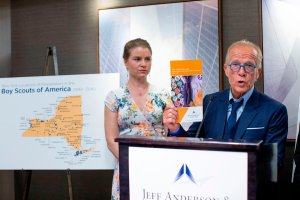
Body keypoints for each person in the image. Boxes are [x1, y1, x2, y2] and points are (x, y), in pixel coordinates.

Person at [163, 39, 288, 168]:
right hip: (208, 183)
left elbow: (273, 164)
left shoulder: (275, 111)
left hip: (248, 184)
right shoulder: (209, 102)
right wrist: (175, 128)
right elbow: (191, 142)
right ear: (226, 70)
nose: (241, 72)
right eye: (235, 65)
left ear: (258, 73)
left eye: (249, 66)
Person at [104, 38, 170, 200]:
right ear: (125, 62)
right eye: (137, 59)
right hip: (127, 166)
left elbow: (168, 134)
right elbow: (111, 140)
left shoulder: (163, 95)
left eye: (147, 59)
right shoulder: (114, 97)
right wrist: (133, 161)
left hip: (158, 165)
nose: (143, 64)